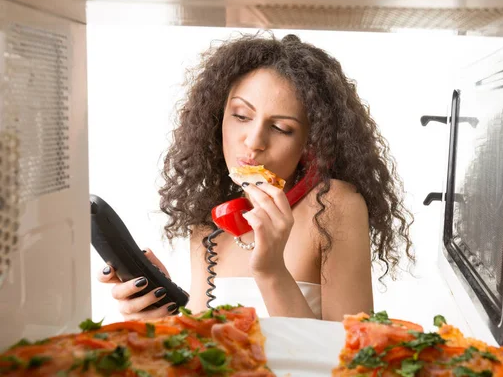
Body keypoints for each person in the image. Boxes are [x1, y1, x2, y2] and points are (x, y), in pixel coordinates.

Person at [98, 32, 413, 322]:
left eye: (280, 128)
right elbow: (207, 347)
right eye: (241, 116)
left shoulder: (333, 205)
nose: (253, 141)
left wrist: (272, 270)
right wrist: (165, 319)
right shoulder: (207, 226)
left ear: (310, 144)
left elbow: (349, 356)